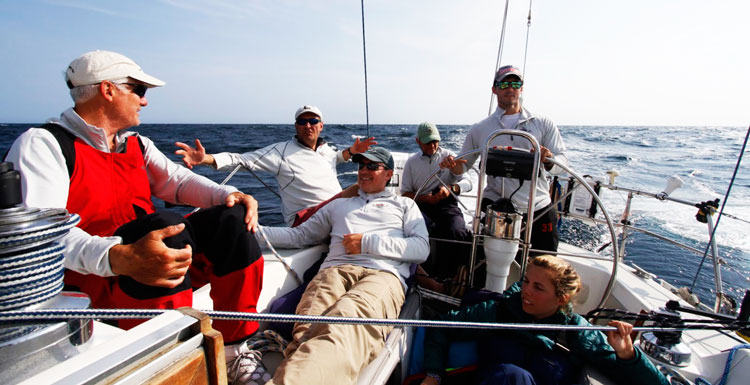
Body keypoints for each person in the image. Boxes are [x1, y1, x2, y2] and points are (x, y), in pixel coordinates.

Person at [4, 50, 265, 384]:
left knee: (231, 218)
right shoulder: (43, 145)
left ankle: (232, 350)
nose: (144, 102)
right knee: (164, 227)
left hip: (147, 275)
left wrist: (228, 195)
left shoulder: (135, 145)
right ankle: (177, 354)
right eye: (139, 91)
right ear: (108, 90)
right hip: (90, 286)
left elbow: (177, 181)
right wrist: (119, 257)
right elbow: (44, 238)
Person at [257, 147, 429, 385]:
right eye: (361, 166)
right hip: (333, 272)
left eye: (372, 166)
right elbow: (299, 236)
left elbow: (421, 249)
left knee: (348, 319)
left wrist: (368, 243)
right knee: (307, 329)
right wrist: (251, 232)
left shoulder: (404, 206)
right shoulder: (338, 206)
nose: (364, 171)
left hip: (382, 275)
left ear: (389, 174)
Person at [420, 255, 669, 385]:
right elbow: (442, 326)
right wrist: (434, 375)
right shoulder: (499, 311)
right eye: (526, 281)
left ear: (561, 298)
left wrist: (628, 356)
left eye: (538, 287)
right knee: (511, 375)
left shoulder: (575, 332)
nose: (526, 291)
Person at [175, 105, 377, 226]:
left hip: (334, 211)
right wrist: (205, 159)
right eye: (302, 121)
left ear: (321, 125)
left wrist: (351, 152)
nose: (308, 125)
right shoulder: (280, 152)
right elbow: (241, 160)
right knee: (359, 189)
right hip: (305, 219)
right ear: (296, 126)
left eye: (313, 120)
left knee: (373, 199)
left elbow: (335, 158)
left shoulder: (325, 149)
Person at [441, 65, 568, 254]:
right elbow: (464, 166)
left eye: (515, 83)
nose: (510, 88)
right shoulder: (480, 129)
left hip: (538, 207)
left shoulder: (543, 123)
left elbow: (563, 165)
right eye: (505, 83)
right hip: (495, 206)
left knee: (544, 263)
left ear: (521, 88)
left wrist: (549, 159)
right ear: (494, 89)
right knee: (484, 263)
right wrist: (452, 166)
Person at [401, 122, 472, 279]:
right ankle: (423, 276)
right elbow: (405, 194)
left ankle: (454, 276)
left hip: (447, 205)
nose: (433, 146)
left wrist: (451, 189)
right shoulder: (411, 163)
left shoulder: (450, 158)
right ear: (418, 141)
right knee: (418, 230)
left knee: (457, 231)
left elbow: (468, 183)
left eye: (435, 141)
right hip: (421, 206)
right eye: (428, 142)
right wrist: (426, 199)